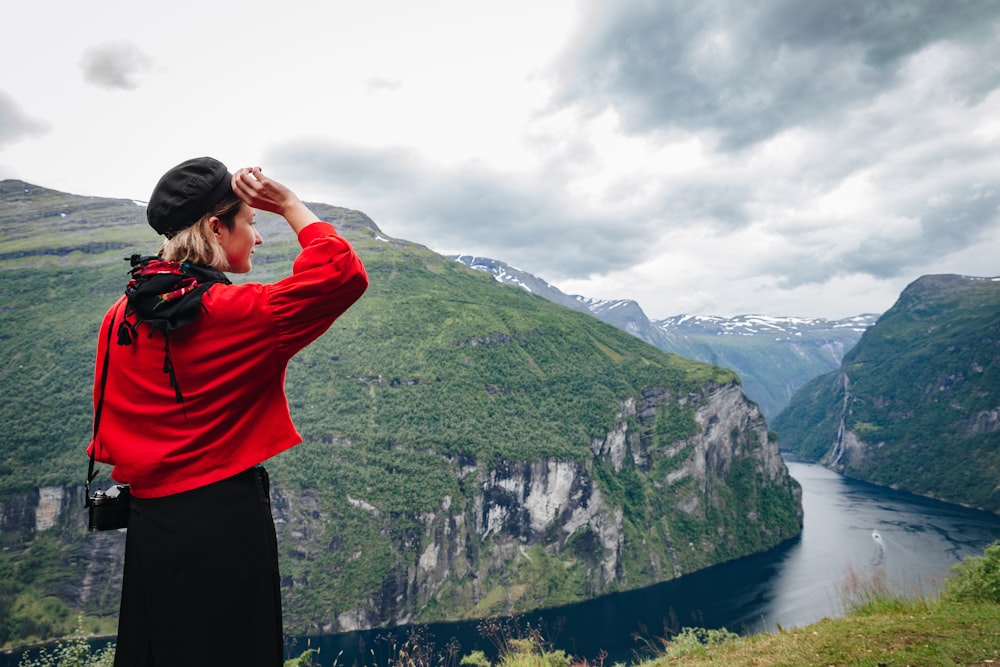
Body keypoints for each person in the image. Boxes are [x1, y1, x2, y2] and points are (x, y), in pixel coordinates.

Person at [87, 157, 369, 666]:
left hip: (151, 523)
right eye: (252, 223)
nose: (258, 239)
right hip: (222, 524)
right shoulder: (240, 313)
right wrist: (288, 204)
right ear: (217, 227)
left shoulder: (119, 315)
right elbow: (341, 272)